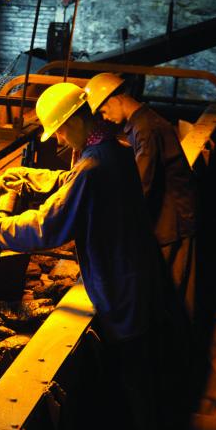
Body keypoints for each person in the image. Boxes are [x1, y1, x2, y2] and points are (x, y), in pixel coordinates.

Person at [0, 82, 189, 430]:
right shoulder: (112, 149)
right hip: (133, 276)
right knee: (140, 370)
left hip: (119, 286)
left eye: (58, 129)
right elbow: (73, 185)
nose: (57, 137)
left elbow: (48, 226)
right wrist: (33, 178)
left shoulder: (95, 166)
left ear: (75, 120)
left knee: (134, 377)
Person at [86, 72, 198, 320]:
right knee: (169, 297)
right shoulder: (141, 124)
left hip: (173, 225)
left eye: (103, 111)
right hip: (168, 220)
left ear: (115, 99)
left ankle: (185, 356)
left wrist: (106, 223)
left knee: (175, 299)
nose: (106, 118)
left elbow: (141, 186)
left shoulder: (146, 129)